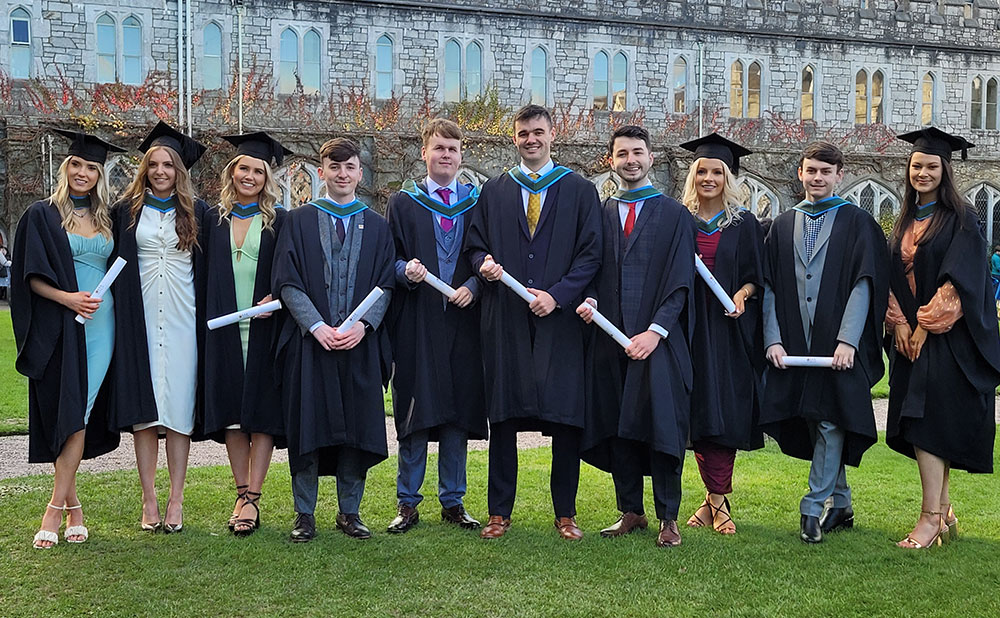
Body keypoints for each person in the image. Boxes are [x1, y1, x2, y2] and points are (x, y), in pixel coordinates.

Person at [467, 104, 602, 541]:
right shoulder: (495, 191)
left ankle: (565, 512)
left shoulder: (579, 191)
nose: (531, 139)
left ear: (552, 134)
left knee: (565, 418)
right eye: (523, 133)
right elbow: (475, 245)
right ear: (514, 138)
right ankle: (498, 512)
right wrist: (483, 263)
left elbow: (591, 255)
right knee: (503, 417)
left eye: (538, 132)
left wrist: (558, 295)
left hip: (559, 322)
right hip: (505, 318)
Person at [760, 141, 888, 544]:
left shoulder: (857, 222)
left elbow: (864, 283)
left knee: (832, 419)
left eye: (825, 172)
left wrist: (849, 340)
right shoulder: (781, 225)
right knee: (816, 419)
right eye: (810, 170)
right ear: (801, 173)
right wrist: (773, 339)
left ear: (839, 175)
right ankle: (843, 503)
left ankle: (812, 507)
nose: (817, 178)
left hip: (837, 346)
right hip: (795, 342)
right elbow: (769, 289)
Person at [273, 137, 395, 542]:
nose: (342, 174)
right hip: (312, 344)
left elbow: (386, 286)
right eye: (334, 167)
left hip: (359, 345)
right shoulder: (298, 220)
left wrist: (364, 326)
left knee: (354, 430)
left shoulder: (378, 226)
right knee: (308, 428)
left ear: (360, 173)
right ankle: (304, 514)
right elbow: (287, 283)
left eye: (350, 167)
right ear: (321, 171)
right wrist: (316, 326)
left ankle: (349, 512)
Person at [578, 125, 694, 547]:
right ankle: (631, 511)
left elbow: (680, 280)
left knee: (661, 429)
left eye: (638, 152)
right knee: (618, 427)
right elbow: (590, 268)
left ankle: (669, 518)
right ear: (612, 159)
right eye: (622, 153)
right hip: (609, 340)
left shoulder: (676, 215)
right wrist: (589, 300)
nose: (630, 159)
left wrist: (655, 332)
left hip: (657, 343)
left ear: (651, 158)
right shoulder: (602, 212)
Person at [885, 128, 1000, 549]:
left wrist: (921, 326)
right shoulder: (904, 220)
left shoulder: (962, 219)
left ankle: (929, 518)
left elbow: (958, 281)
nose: (923, 172)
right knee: (922, 422)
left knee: (928, 426)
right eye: (917, 165)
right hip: (909, 340)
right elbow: (891, 276)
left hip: (946, 341)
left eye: (932, 166)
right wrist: (897, 320)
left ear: (945, 170)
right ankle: (945, 511)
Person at [11, 130, 123, 548]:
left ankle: (53, 513)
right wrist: (68, 299)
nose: (83, 172)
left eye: (91, 168)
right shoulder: (42, 215)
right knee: (68, 411)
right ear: (65, 168)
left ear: (99, 175)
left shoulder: (107, 218)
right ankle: (70, 507)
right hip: (62, 324)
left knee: (82, 410)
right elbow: (31, 277)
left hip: (102, 325)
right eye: (76, 165)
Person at [384, 119, 487, 533]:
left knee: (456, 414)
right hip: (417, 321)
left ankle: (453, 501)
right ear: (424, 152)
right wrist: (403, 270)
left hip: (462, 322)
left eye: (453, 149)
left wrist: (475, 287)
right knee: (414, 412)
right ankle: (408, 503)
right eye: (439, 148)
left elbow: (487, 255)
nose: (446, 155)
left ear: (461, 155)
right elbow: (386, 258)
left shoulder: (476, 202)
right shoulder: (403, 203)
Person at [110, 121, 208, 533]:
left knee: (179, 409)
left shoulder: (199, 213)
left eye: (169, 164)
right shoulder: (126, 211)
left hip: (185, 317)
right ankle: (149, 501)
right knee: (146, 413)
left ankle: (176, 502)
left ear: (180, 170)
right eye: (154, 164)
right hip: (143, 315)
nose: (161, 170)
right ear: (145, 168)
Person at [203, 132, 291, 536]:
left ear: (267, 178)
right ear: (232, 172)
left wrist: (276, 295)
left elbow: (290, 273)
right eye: (244, 168)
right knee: (233, 415)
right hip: (223, 328)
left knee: (262, 415)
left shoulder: (280, 222)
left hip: (263, 329)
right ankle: (241, 492)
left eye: (258, 171)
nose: (250, 176)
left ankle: (252, 500)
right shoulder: (212, 220)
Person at [678, 134, 765, 535]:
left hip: (729, 328)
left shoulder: (743, 223)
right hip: (689, 326)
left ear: (728, 178)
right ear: (692, 175)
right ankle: (716, 501)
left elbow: (755, 276)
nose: (708, 178)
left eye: (717, 172)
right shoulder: (679, 219)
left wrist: (742, 295)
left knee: (722, 412)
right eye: (702, 171)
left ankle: (716, 500)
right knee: (697, 413)